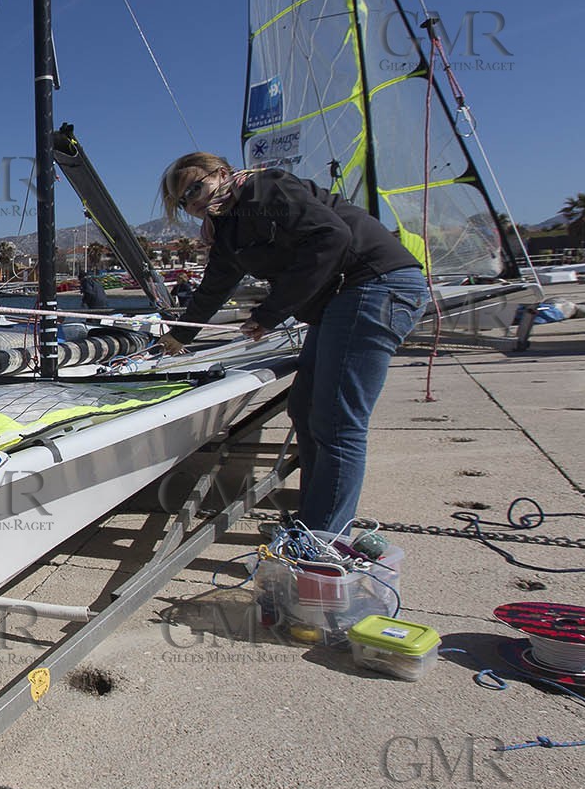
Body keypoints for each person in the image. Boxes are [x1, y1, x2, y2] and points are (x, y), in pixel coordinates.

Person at [156, 152, 427, 535]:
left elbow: (332, 237)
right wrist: (177, 335)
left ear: (222, 174)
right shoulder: (229, 227)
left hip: (374, 286)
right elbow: (215, 285)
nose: (193, 202)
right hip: (342, 299)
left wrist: (270, 313)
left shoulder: (265, 189)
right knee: (305, 406)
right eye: (184, 201)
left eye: (196, 188)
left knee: (336, 421)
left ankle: (323, 538)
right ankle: (316, 520)